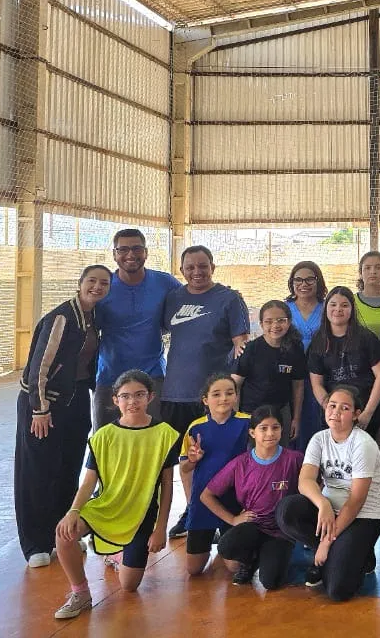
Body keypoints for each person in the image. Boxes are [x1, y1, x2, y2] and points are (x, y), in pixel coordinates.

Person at [49, 370, 178, 620]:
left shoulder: (165, 434)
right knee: (64, 534)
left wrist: (160, 527)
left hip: (140, 514)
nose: (133, 402)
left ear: (150, 397)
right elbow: (88, 481)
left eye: (139, 395)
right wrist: (73, 511)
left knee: (129, 585)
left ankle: (117, 553)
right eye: (125, 396)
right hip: (106, 506)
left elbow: (167, 485)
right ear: (115, 400)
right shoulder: (103, 436)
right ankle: (81, 593)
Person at [16, 265, 111, 567]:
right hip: (45, 404)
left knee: (68, 468)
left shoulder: (95, 318)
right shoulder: (62, 317)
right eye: (92, 281)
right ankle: (35, 544)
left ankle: (62, 534)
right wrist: (40, 410)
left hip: (76, 400)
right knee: (37, 472)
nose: (97, 287)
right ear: (79, 283)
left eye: (104, 283)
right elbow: (38, 370)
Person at [163, 245, 250, 538]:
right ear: (182, 270)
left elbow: (241, 343)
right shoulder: (173, 298)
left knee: (216, 457)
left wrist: (231, 387)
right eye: (190, 267)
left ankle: (224, 514)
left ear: (213, 266)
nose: (197, 272)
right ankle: (194, 513)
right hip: (175, 393)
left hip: (213, 399)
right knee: (187, 460)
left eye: (203, 266)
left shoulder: (229, 299)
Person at [275, 385, 380, 602]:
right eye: (332, 405)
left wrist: (326, 542)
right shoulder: (319, 439)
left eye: (344, 408)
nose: (335, 412)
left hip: (362, 517)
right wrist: (323, 504)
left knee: (338, 591)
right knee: (286, 511)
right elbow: (305, 481)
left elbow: (355, 502)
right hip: (330, 512)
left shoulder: (363, 444)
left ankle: (357, 554)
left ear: (356, 414)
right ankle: (338, 552)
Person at [200, 405, 304, 588]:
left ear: (282, 430)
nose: (270, 433)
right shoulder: (241, 463)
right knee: (226, 547)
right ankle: (250, 561)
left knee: (271, 582)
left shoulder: (295, 459)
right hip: (253, 526)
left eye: (275, 427)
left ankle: (271, 557)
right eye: (263, 428)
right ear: (252, 432)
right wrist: (232, 519)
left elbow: (316, 484)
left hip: (280, 532)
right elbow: (206, 495)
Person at [92, 229, 181, 429]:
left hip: (152, 376)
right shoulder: (104, 286)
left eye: (136, 248)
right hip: (109, 377)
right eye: (123, 249)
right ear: (114, 254)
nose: (130, 255)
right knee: (104, 443)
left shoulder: (164, 282)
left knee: (153, 441)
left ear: (146, 252)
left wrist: (222, 294)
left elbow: (193, 298)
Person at [179, 372, 251, 575]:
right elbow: (184, 467)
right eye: (216, 394)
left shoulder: (248, 423)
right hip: (203, 501)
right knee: (193, 571)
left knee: (236, 568)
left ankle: (226, 548)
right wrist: (193, 461)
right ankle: (215, 542)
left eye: (229, 393)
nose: (224, 399)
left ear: (236, 396)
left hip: (235, 499)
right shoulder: (196, 427)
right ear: (205, 399)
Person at [307, 286, 380, 435]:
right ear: (326, 307)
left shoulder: (365, 337)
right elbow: (317, 384)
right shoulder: (318, 341)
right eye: (333, 304)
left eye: (344, 305)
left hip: (364, 409)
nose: (338, 309)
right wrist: (330, 409)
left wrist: (368, 412)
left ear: (352, 309)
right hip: (334, 413)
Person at [230, 301, 306, 443]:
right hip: (251, 413)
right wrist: (235, 418)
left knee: (281, 456)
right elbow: (235, 385)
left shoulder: (295, 348)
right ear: (261, 324)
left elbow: (298, 385)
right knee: (252, 456)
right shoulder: (251, 349)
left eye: (281, 321)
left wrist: (296, 418)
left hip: (281, 412)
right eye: (269, 321)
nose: (275, 326)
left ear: (289, 322)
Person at [285, 261, 327, 451]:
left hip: (321, 374)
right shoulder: (284, 309)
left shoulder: (328, 308)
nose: (304, 284)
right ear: (292, 283)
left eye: (310, 279)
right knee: (294, 421)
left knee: (317, 419)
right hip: (291, 374)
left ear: (318, 281)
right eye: (298, 280)